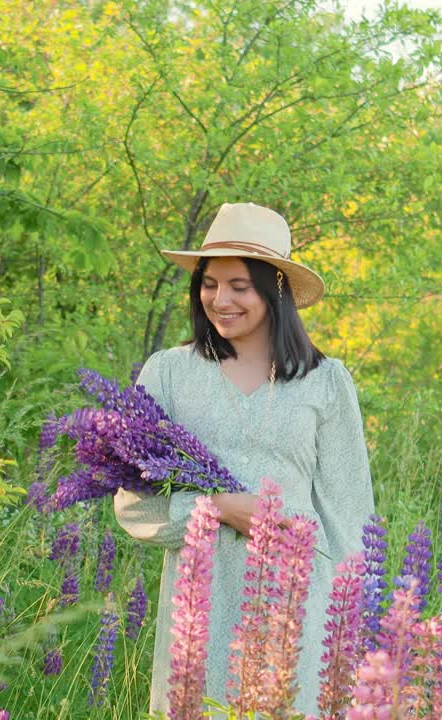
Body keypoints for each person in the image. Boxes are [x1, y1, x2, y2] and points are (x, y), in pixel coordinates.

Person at [113, 202, 376, 715]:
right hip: (198, 613)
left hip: (300, 610)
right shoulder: (168, 374)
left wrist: (353, 638)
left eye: (239, 285)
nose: (220, 299)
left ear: (274, 286)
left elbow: (350, 516)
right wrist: (217, 509)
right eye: (210, 284)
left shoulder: (325, 381)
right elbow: (132, 505)